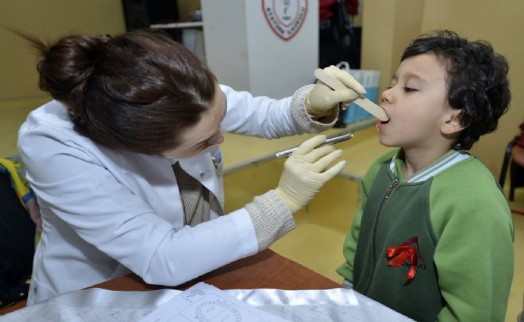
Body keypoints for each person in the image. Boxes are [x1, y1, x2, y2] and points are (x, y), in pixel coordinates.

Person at [15, 28, 366, 305]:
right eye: (201, 143)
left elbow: (263, 115)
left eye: (220, 120)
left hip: (195, 272)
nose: (220, 142)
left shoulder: (180, 89)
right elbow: (160, 256)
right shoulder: (53, 144)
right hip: (99, 294)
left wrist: (312, 103)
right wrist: (283, 202)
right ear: (137, 145)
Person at [336, 30, 514, 322]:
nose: (386, 94)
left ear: (455, 119)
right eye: (393, 82)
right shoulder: (382, 169)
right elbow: (357, 245)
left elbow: (476, 311)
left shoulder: (475, 204)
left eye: (410, 88)